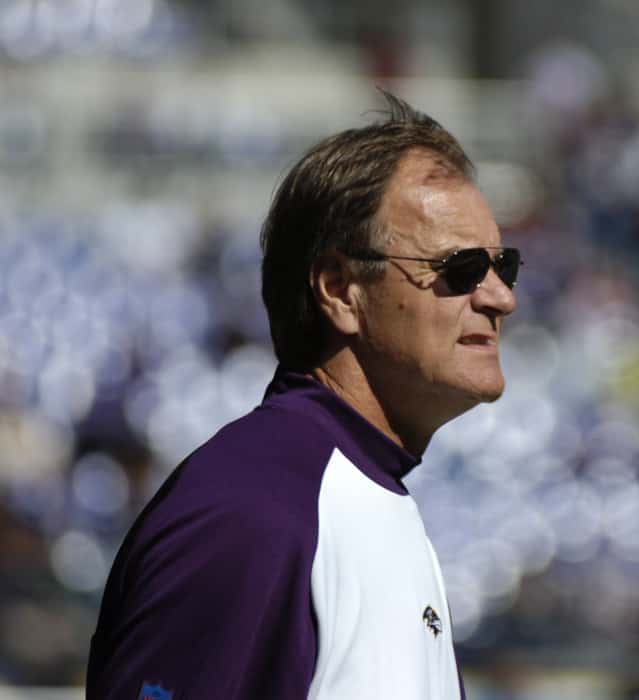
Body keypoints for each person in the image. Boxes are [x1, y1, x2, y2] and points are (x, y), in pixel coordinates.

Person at [87, 90, 521, 699]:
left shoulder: (358, 494)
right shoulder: (255, 510)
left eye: (506, 267)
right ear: (341, 289)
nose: (500, 297)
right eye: (461, 269)